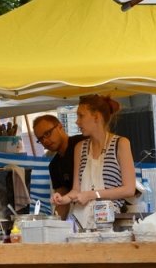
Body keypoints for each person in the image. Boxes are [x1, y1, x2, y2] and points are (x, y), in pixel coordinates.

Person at [52, 95, 136, 229]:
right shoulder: (80, 148)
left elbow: (129, 189)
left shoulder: (121, 144)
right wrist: (64, 199)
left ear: (96, 117)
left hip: (110, 223)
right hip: (80, 222)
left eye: (81, 116)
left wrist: (92, 195)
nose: (77, 122)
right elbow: (76, 190)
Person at [32, 114, 84, 219]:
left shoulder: (82, 143)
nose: (45, 141)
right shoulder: (54, 165)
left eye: (48, 133)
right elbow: (62, 203)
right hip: (81, 216)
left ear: (60, 126)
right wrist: (54, 224)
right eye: (40, 139)